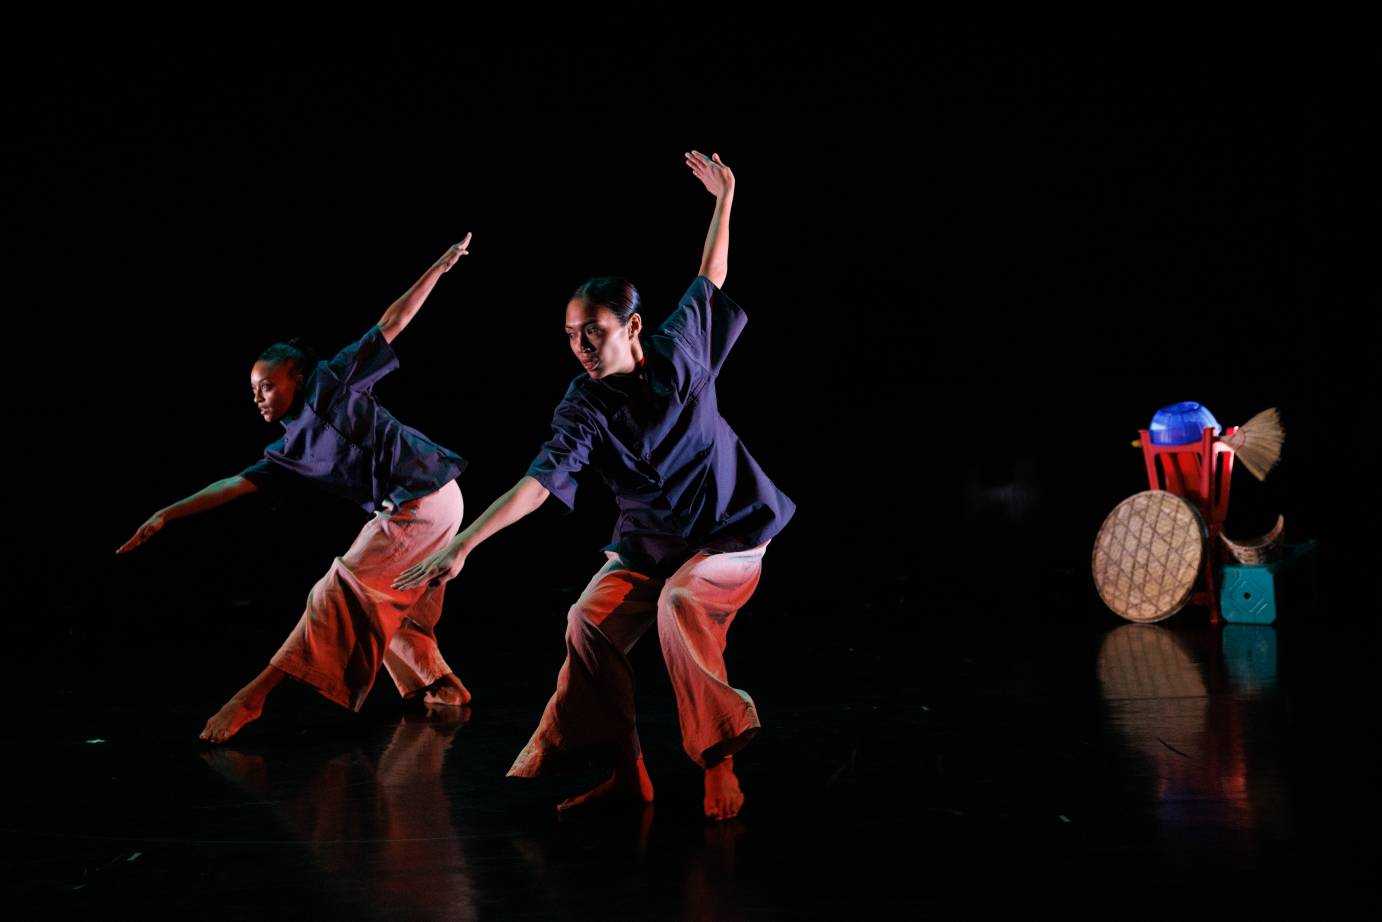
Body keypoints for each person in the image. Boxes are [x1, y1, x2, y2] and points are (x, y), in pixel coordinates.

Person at [396, 154, 793, 821]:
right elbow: (538, 483)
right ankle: (626, 771)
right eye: (571, 337)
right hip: (650, 544)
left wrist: (726, 198)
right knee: (586, 623)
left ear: (633, 327)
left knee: (679, 606)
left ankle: (718, 761)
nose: (580, 347)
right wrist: (466, 541)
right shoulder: (582, 404)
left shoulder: (682, 348)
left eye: (594, 333)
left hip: (730, 531)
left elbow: (710, 275)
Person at [118, 236, 476, 743]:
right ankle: (442, 686)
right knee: (392, 603)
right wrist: (166, 513)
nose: (258, 397)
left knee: (340, 589)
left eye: (267, 385)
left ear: (297, 376)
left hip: (426, 495)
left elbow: (391, 323)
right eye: (253, 391)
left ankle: (254, 695)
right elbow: (232, 484)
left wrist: (437, 269)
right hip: (424, 506)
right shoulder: (286, 450)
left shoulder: (330, 382)